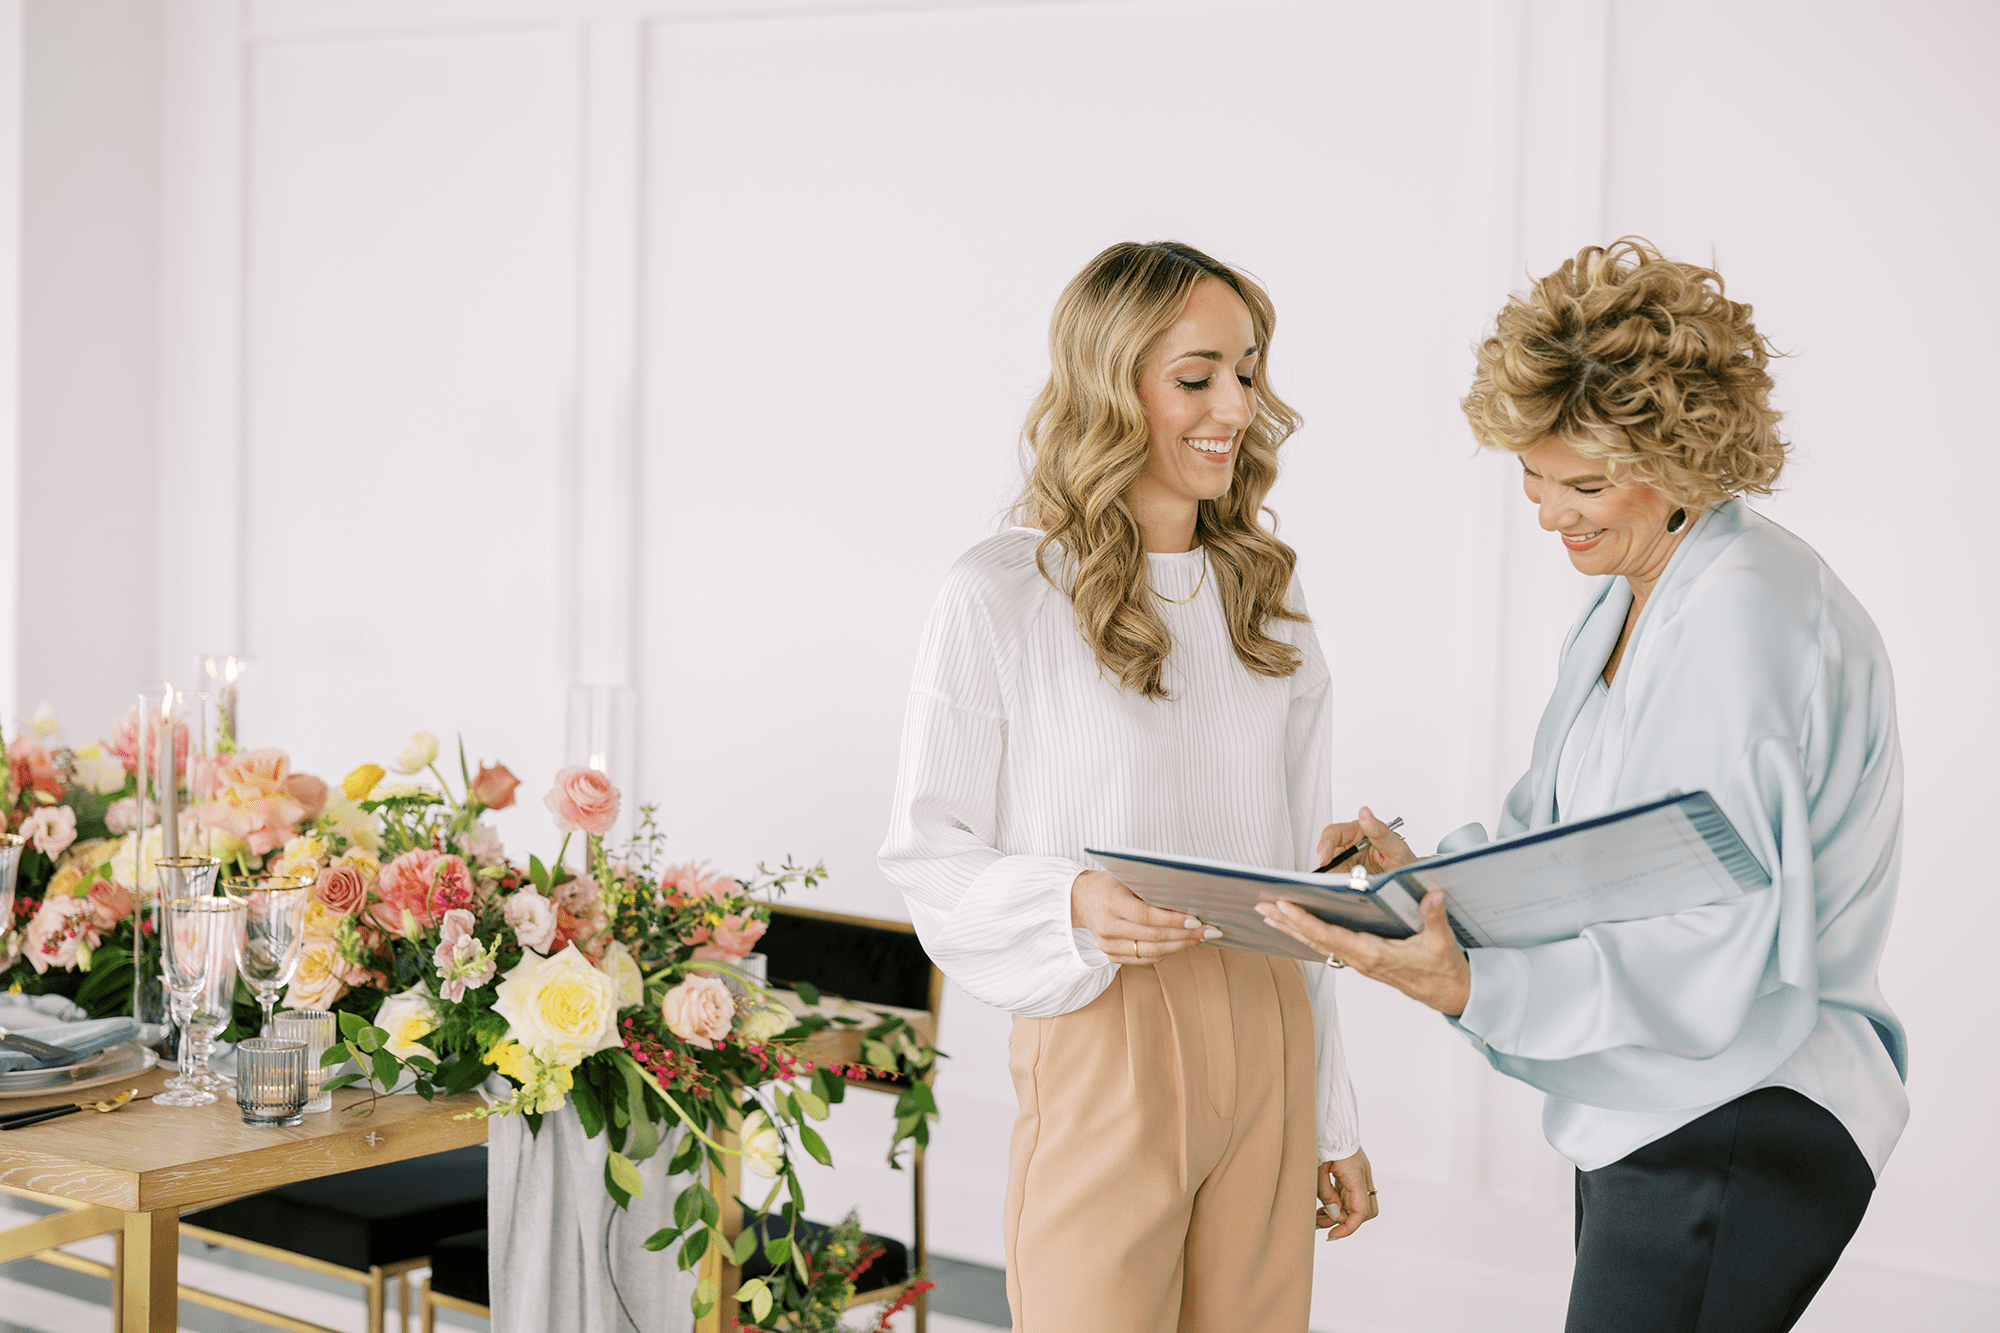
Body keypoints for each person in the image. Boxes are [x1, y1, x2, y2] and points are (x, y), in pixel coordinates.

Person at [1258, 239, 1906, 1333]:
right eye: (1532, 474)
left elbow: (1708, 932)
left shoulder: (1738, 619)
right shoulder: (1639, 591)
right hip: (1665, 1102)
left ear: (1687, 456)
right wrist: (1427, 884)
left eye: (1586, 483)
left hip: (1738, 1106)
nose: (1549, 513)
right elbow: (1569, 846)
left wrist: (1470, 986)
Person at [879, 241, 1375, 1333]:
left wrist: (1330, 1112)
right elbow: (928, 848)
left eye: (1245, 372)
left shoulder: (1268, 605)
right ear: (1111, 386)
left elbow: (1302, 889)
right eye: (1194, 376)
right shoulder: (998, 594)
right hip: (1102, 1019)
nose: (1234, 408)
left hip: (1268, 1020)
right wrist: (1068, 898)